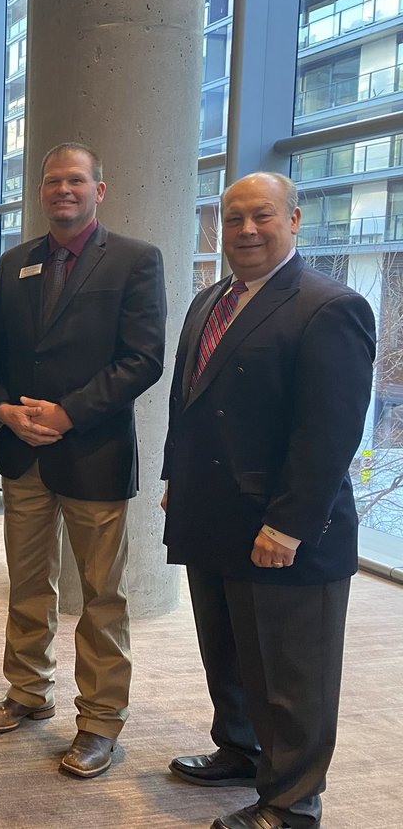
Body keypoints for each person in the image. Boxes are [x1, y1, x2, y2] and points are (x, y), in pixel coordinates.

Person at [162, 172, 374, 829]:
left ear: (294, 220)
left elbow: (329, 430)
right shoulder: (211, 301)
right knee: (228, 654)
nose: (246, 231)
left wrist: (288, 525)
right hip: (213, 516)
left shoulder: (328, 306)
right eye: (233, 219)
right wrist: (176, 476)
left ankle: (292, 803)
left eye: (262, 217)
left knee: (291, 677)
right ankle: (242, 751)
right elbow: (188, 404)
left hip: (284, 530)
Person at [0, 142, 166, 778]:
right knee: (28, 584)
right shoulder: (14, 263)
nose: (63, 190)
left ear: (98, 190)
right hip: (23, 455)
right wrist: (4, 412)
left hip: (93, 455)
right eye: (52, 181)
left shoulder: (136, 260)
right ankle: (27, 693)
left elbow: (142, 358)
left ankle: (101, 722)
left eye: (76, 180)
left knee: (101, 595)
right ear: (40, 191)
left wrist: (68, 413)